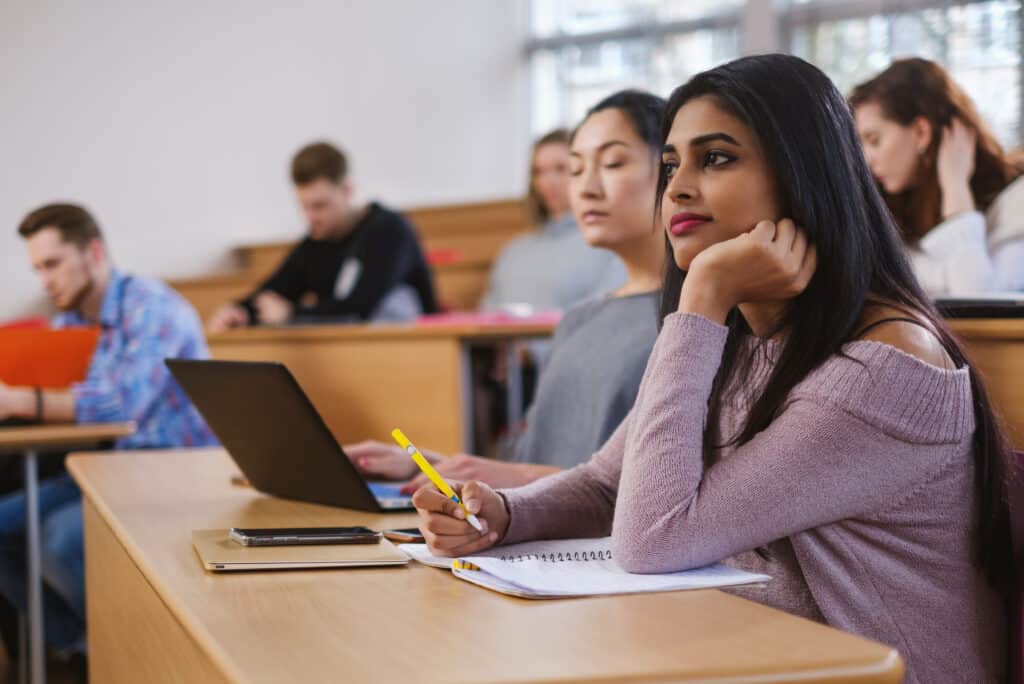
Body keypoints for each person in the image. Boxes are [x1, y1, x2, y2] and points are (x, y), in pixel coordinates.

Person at [413, 55, 1011, 683]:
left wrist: (702, 297)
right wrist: (503, 514)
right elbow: (606, 486)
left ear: (803, 174)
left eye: (716, 158)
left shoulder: (885, 368)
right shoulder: (742, 336)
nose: (676, 188)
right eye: (670, 165)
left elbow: (652, 539)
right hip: (743, 656)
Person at [347, 91, 666, 491]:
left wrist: (519, 479)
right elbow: (526, 470)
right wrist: (424, 466)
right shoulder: (578, 321)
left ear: (671, 172)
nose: (584, 188)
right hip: (530, 535)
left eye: (613, 162)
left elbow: (647, 493)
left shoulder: (690, 320)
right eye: (577, 169)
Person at [0, 203, 216, 657]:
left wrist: (19, 399)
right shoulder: (71, 321)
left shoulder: (154, 309)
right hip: (105, 467)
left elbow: (120, 404)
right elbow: (64, 400)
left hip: (175, 470)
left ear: (93, 253)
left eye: (52, 264)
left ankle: (132, 648)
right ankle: (83, 644)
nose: (45, 280)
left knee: (60, 537)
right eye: (38, 268)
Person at [207, 141, 438, 331]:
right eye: (304, 207)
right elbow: (277, 288)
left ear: (346, 190)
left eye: (319, 206)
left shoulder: (389, 231)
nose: (310, 217)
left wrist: (291, 313)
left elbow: (359, 309)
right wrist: (240, 311)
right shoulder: (317, 240)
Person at [850, 57, 1024, 294]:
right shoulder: (900, 210)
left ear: (921, 132)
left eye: (874, 141)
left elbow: (979, 301)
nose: (866, 159)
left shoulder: (1016, 200)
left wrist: (955, 188)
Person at [479, 128, 626, 313]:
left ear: (585, 171)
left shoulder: (607, 247)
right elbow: (487, 316)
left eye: (560, 168)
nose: (547, 181)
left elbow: (604, 318)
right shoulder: (512, 252)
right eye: (538, 171)